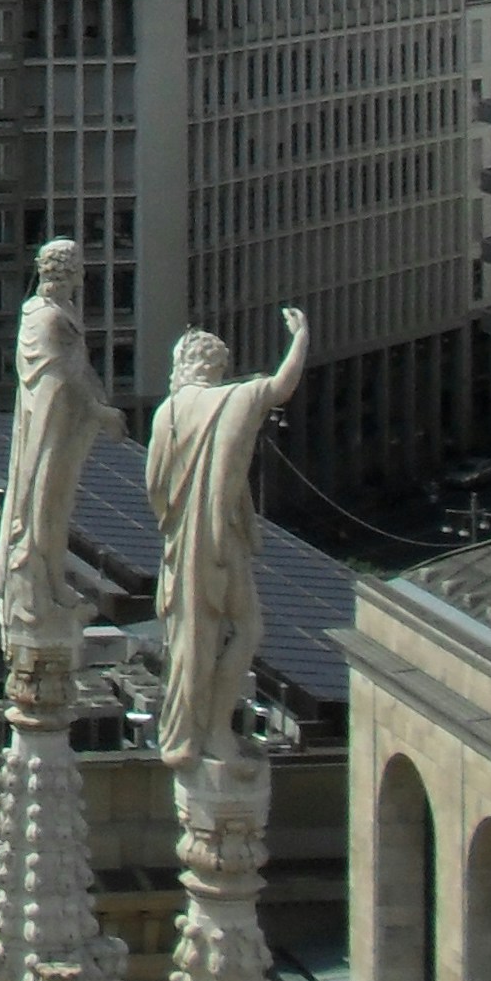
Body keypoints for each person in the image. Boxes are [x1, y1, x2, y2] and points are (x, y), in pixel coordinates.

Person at [147, 307, 309, 769]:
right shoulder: (235, 398)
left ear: (181, 366)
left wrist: (176, 525)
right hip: (222, 537)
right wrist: (301, 336)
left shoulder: (168, 413)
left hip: (184, 542)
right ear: (216, 369)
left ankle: (192, 731)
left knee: (192, 638)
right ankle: (213, 728)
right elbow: (283, 385)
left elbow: (155, 485)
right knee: (245, 628)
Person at [0, 239, 122, 650]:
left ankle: (51, 577)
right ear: (67, 273)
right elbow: (61, 379)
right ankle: (46, 579)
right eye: (78, 268)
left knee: (57, 507)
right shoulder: (45, 319)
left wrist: (100, 405)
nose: (83, 275)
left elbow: (78, 368)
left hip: (64, 428)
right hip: (47, 434)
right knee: (44, 504)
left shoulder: (56, 313)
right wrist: (100, 412)